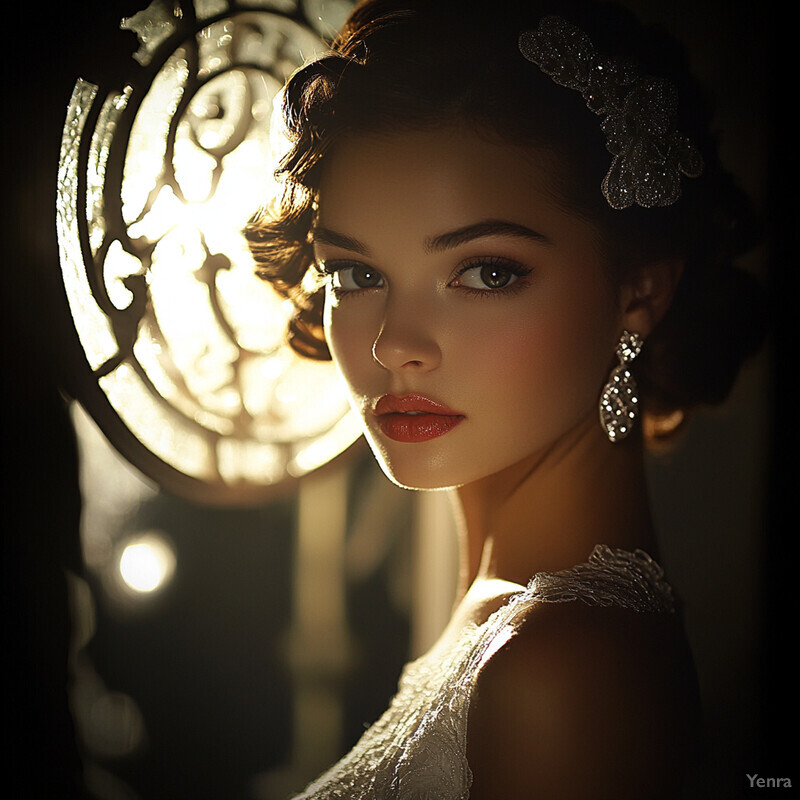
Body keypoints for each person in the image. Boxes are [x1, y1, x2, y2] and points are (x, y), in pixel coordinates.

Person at [245, 0, 765, 796]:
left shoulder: (564, 674)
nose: (393, 344)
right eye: (356, 274)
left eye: (488, 272)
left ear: (639, 290)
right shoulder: (514, 625)